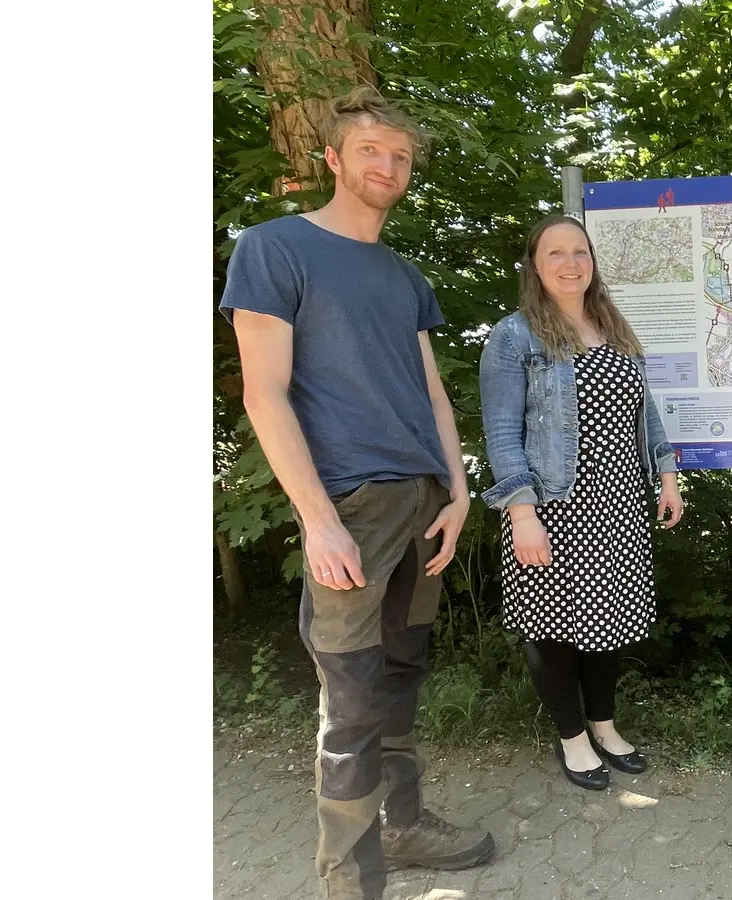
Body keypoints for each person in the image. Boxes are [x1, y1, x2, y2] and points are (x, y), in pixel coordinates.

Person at [220, 86, 494, 900]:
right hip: (350, 510)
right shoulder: (275, 249)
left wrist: (459, 489)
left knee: (403, 670)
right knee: (350, 693)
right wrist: (316, 521)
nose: (388, 164)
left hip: (422, 507)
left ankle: (403, 829)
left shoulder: (404, 274)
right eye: (370, 150)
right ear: (333, 158)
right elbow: (264, 394)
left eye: (401, 155)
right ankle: (348, 879)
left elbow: (432, 392)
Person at [479, 214, 684, 791]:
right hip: (552, 506)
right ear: (535, 266)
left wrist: (666, 475)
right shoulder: (515, 336)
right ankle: (572, 738)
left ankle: (605, 725)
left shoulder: (613, 329)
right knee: (551, 630)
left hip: (618, 503)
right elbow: (501, 432)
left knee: (608, 627)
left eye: (581, 252)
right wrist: (522, 514)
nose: (571, 263)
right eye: (556, 254)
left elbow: (647, 415)